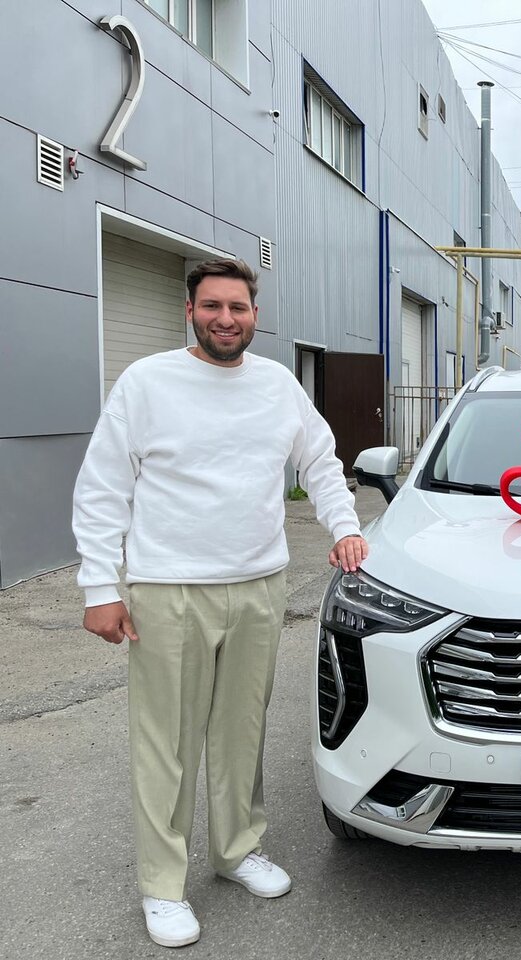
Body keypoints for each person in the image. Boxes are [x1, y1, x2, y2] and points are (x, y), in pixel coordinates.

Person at [72, 258, 369, 947]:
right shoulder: (147, 383)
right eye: (212, 306)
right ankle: (163, 884)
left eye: (237, 307)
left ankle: (237, 850)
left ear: (255, 315)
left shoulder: (277, 385)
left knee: (241, 730)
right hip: (167, 587)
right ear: (190, 311)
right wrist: (100, 587)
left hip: (259, 585)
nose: (225, 319)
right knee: (166, 742)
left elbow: (320, 462)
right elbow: (103, 487)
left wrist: (345, 528)